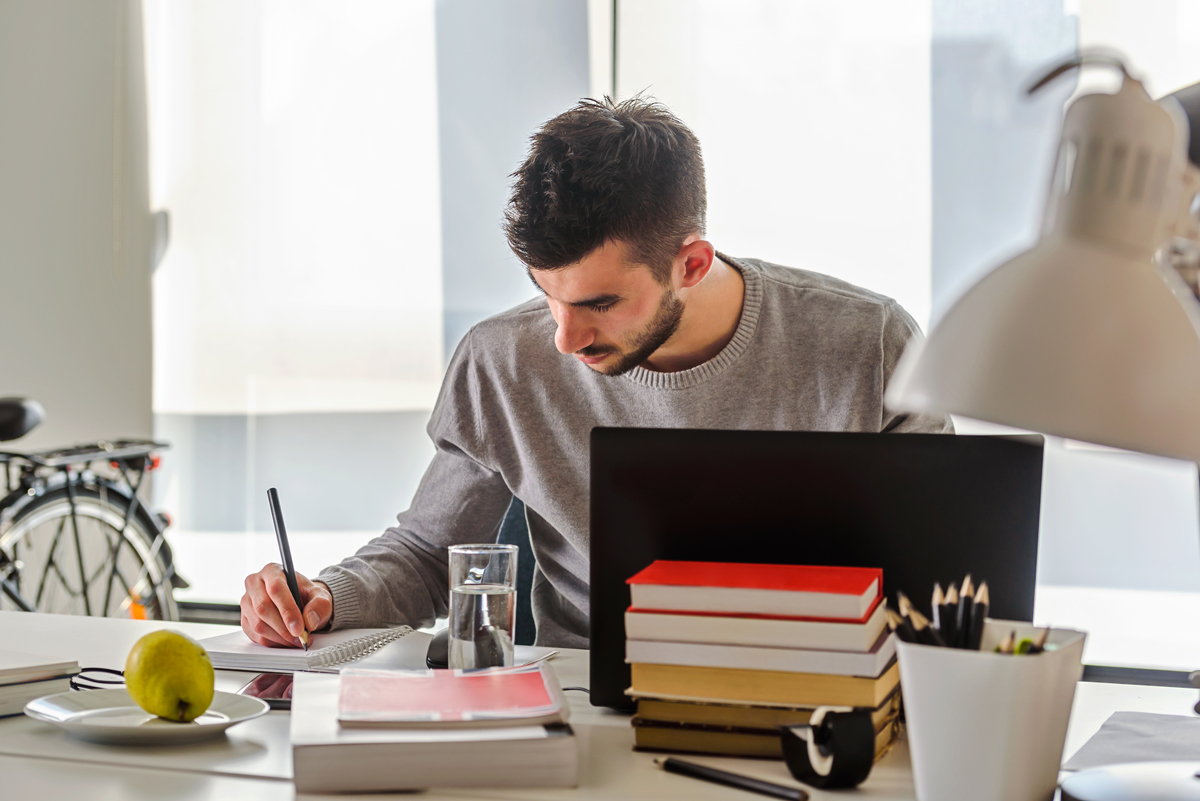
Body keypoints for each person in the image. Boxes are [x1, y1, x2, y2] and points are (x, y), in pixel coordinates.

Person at [240, 97, 952, 650]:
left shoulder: (868, 346)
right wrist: (327, 594)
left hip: (825, 696)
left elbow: (945, 581)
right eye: (546, 293)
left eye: (599, 303)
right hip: (591, 705)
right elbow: (430, 555)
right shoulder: (502, 359)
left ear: (691, 264)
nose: (562, 336)